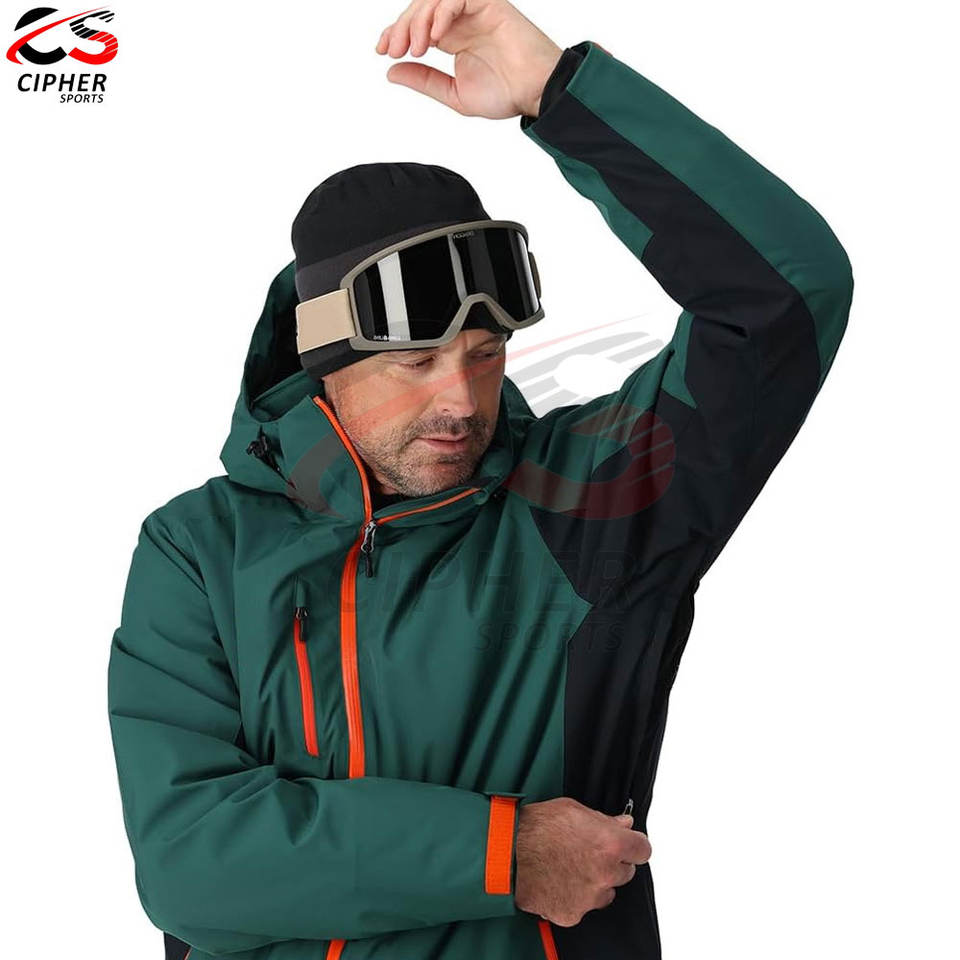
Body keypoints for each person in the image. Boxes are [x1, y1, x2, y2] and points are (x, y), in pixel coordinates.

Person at [106, 2, 854, 959]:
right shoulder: (201, 549)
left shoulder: (596, 501)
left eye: (486, 353)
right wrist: (508, 854)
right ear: (324, 365)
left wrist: (560, 94)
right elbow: (190, 864)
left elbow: (784, 300)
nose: (461, 400)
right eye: (415, 363)